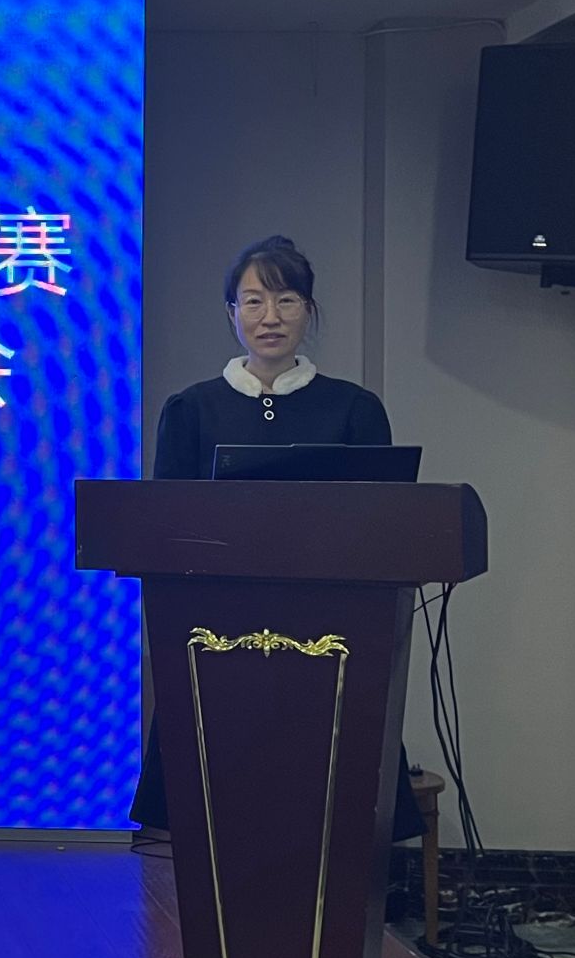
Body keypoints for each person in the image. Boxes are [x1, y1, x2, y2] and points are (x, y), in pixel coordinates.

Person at [130, 234, 423, 841]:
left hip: (332, 633)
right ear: (231, 313)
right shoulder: (191, 409)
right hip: (218, 634)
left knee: (328, 802)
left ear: (308, 311)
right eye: (254, 301)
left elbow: (383, 522)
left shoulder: (354, 408)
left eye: (287, 300)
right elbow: (167, 526)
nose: (270, 317)